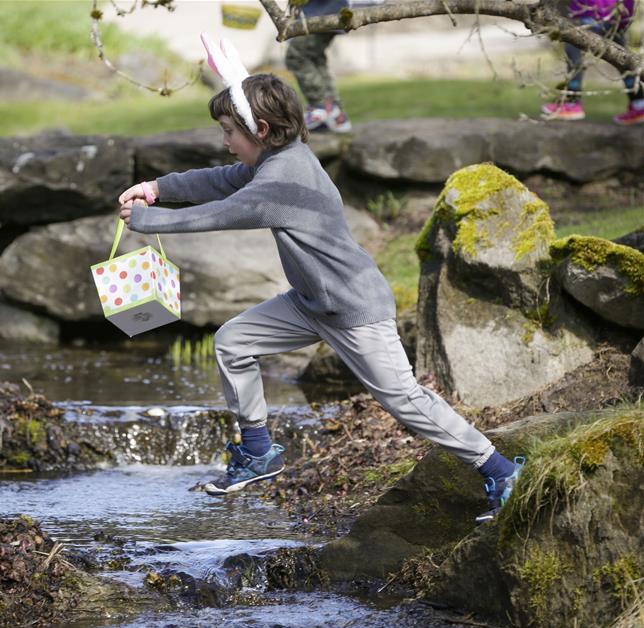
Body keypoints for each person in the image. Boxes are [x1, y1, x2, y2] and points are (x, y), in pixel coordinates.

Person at [118, 35, 521, 524]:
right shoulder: (273, 159)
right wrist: (157, 189)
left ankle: (499, 470)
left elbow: (219, 213)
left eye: (229, 131)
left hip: (353, 308)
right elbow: (220, 179)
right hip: (311, 302)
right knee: (233, 342)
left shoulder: (282, 181)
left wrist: (146, 222)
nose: (224, 140)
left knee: (405, 403)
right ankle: (258, 450)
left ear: (261, 129)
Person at [542, 0, 643, 125]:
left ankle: (572, 103)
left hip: (590, 12)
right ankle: (639, 104)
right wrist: (625, 18)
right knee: (622, 59)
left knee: (574, 52)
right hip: (615, 16)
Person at [284, 0, 355, 133]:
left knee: (297, 56)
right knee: (314, 58)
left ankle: (321, 107)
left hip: (323, 12)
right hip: (324, 10)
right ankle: (335, 113)